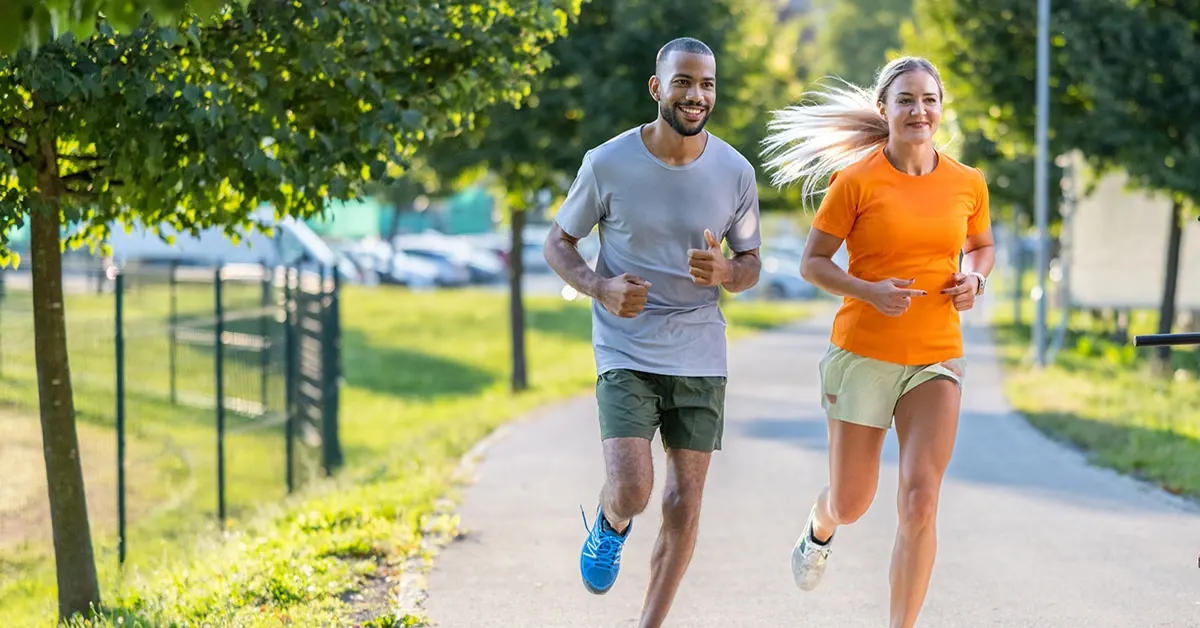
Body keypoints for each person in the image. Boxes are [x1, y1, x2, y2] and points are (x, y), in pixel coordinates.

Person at [759, 56, 995, 628]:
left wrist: (976, 277)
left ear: (941, 108)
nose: (919, 110)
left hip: (936, 354)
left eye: (929, 99)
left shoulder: (967, 182)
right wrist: (867, 289)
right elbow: (813, 264)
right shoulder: (857, 181)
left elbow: (981, 245)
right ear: (884, 109)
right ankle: (820, 526)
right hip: (863, 353)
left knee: (920, 501)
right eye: (907, 99)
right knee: (852, 502)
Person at [542, 36, 762, 628]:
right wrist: (599, 286)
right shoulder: (607, 162)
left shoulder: (735, 172)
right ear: (657, 87)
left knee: (684, 503)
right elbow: (558, 242)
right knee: (635, 488)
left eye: (707, 84)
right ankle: (612, 523)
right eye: (685, 82)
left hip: (699, 350)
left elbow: (751, 265)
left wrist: (728, 272)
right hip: (625, 344)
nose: (697, 95)